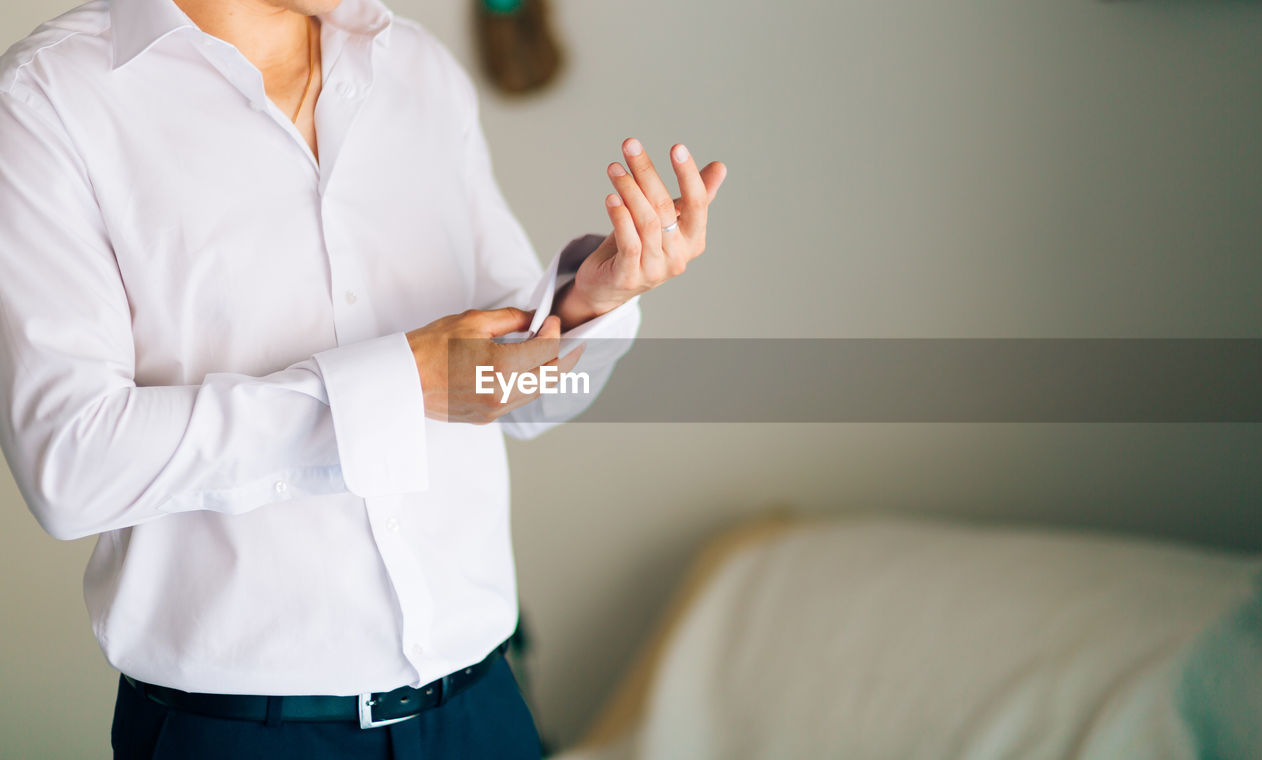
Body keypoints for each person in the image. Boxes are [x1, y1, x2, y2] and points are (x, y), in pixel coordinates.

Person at [0, 0, 726, 756]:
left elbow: (520, 406)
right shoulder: (49, 98)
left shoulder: (417, 70)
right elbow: (70, 465)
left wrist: (588, 305)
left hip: (484, 710)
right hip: (242, 735)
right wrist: (398, 384)